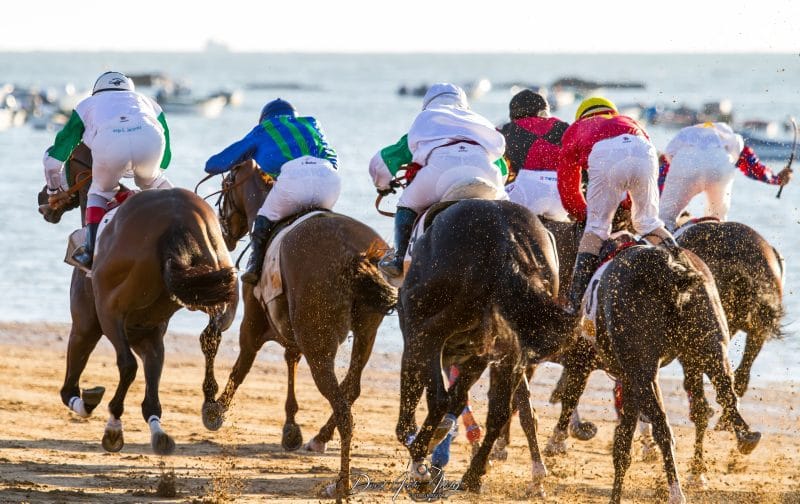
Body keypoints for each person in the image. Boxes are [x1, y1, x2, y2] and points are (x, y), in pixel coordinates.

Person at [369, 83, 508, 277]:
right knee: (511, 213)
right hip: (484, 172)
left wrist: (382, 185)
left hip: (441, 174)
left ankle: (399, 259)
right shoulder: (478, 123)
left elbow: (380, 164)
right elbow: (503, 170)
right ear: (464, 104)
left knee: (406, 205)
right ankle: (517, 252)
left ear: (428, 104)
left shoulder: (427, 122)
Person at [43, 71, 173, 269]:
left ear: (97, 91)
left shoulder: (87, 104)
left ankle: (89, 251)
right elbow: (166, 160)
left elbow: (54, 160)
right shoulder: (148, 102)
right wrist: (144, 174)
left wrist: (54, 190)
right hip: (152, 141)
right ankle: (189, 220)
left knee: (99, 192)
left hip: (109, 144)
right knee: (155, 183)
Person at [557, 96, 674, 312]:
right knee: (648, 222)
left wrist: (583, 214)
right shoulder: (629, 121)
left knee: (596, 229)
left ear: (581, 116)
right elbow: (642, 166)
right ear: (611, 111)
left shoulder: (576, 129)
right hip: (643, 149)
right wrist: (629, 206)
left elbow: (568, 188)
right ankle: (682, 267)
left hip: (606, 154)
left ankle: (574, 306)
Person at [205, 98, 340, 285]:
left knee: (263, 218)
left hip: (293, 180)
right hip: (330, 180)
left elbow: (215, 164)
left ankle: (255, 264)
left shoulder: (262, 130)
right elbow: (333, 158)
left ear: (264, 119)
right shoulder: (311, 123)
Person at [658, 121, 793, 230]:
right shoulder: (729, 137)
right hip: (721, 165)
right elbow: (752, 166)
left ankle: (662, 253)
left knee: (664, 220)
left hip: (686, 163)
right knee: (717, 219)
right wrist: (776, 179)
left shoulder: (683, 137)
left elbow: (663, 176)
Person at [500, 89, 570, 221]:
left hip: (526, 193)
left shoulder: (505, 130)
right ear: (544, 111)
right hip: (562, 193)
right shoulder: (564, 127)